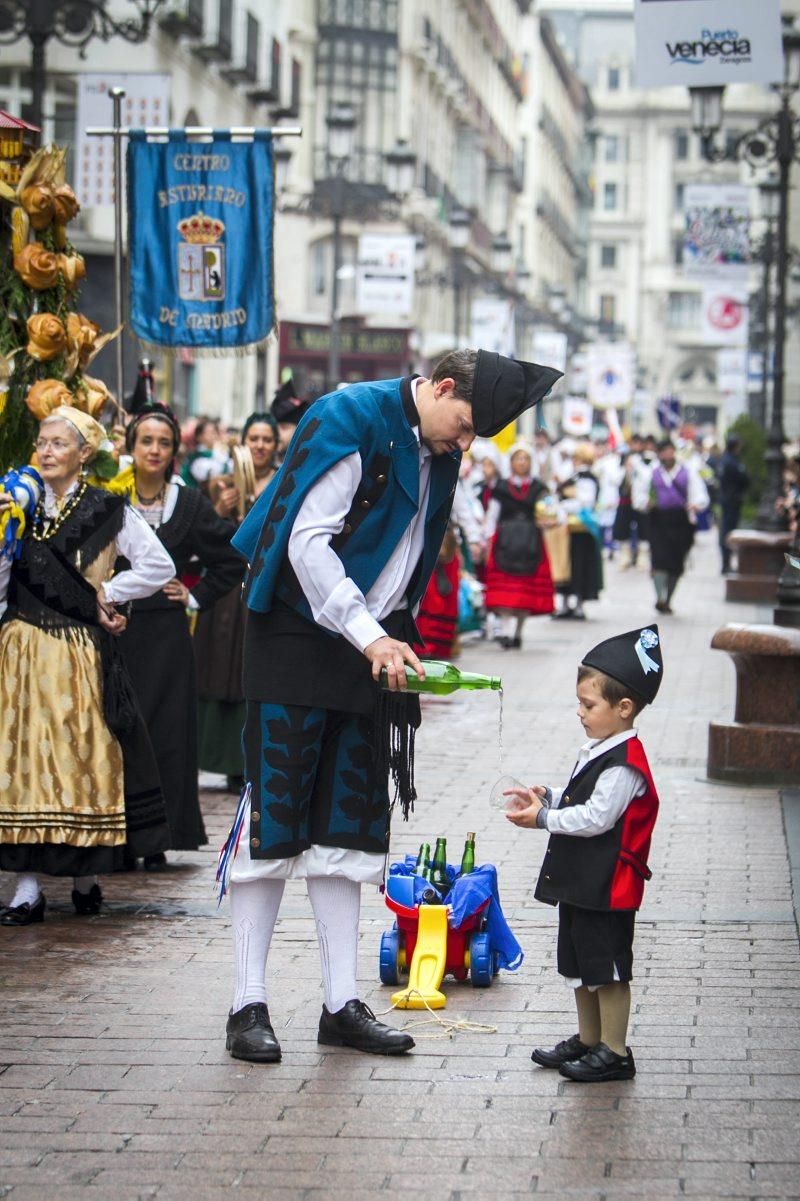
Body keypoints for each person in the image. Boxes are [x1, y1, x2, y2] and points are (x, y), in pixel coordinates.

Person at [219, 347, 561, 1063]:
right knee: (272, 825)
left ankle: (341, 1002)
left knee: (348, 828)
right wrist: (372, 632)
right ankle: (246, 1004)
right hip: (292, 633)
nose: (465, 445)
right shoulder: (351, 415)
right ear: (439, 386)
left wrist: (396, 637)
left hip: (368, 649)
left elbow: (403, 557)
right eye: (465, 425)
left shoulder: (441, 446)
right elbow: (308, 546)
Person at [0, 406, 175, 924]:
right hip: (22, 653)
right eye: (42, 442)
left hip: (78, 653)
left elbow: (158, 565)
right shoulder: (20, 508)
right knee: (23, 763)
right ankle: (27, 887)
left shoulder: (107, 509)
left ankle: (84, 875)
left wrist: (110, 590)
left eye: (58, 443)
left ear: (83, 453)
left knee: (81, 758)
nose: (46, 451)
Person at [505, 625, 663, 1082]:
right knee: (580, 963)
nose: (579, 712)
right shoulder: (601, 749)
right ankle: (588, 1039)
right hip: (583, 881)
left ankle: (614, 1050)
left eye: (588, 705)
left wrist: (543, 819)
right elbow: (582, 800)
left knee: (608, 968)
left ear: (624, 708)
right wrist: (550, 795)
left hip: (608, 885)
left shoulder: (625, 764)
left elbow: (597, 818)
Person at [117, 403, 245, 865]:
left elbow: (231, 560)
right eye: (146, 441)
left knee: (165, 736)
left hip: (167, 638)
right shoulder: (110, 496)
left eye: (163, 443)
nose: (154, 450)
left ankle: (159, 839)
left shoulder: (187, 503)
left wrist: (193, 596)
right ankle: (118, 835)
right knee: (119, 731)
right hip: (115, 633)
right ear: (130, 446)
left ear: (175, 451)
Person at [195, 412, 281, 789]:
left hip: (264, 589)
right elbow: (205, 540)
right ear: (243, 443)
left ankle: (250, 762)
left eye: (267, 439)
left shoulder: (283, 485)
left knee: (255, 672)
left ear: (275, 445)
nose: (260, 445)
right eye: (254, 438)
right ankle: (217, 757)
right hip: (226, 592)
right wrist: (220, 512)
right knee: (218, 669)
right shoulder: (221, 486)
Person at [483, 441, 555, 648]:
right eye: (518, 458)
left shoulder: (539, 488)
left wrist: (549, 520)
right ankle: (505, 631)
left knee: (524, 591)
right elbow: (492, 516)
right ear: (511, 462)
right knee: (506, 593)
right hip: (505, 542)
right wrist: (486, 538)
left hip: (531, 543)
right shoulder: (502, 487)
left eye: (526, 459)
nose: (522, 462)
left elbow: (551, 510)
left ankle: (518, 632)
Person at [646, 439, 708, 614]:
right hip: (658, 520)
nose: (667, 455)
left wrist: (696, 504)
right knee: (658, 560)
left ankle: (668, 599)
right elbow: (640, 496)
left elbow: (700, 496)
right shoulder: (652, 472)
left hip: (680, 522)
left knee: (676, 562)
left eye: (669, 450)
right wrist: (645, 503)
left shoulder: (687, 472)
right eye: (663, 451)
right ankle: (660, 598)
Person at [554, 443, 602, 620]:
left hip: (583, 528)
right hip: (572, 529)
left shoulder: (586, 478)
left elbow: (585, 503)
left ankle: (575, 604)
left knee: (578, 566)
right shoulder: (576, 477)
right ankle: (569, 604)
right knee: (570, 565)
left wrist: (567, 502)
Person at [716, 435, 750, 574]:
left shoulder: (724, 460)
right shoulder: (732, 462)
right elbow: (744, 479)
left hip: (727, 500)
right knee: (729, 532)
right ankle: (726, 564)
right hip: (732, 501)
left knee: (726, 531)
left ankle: (726, 563)